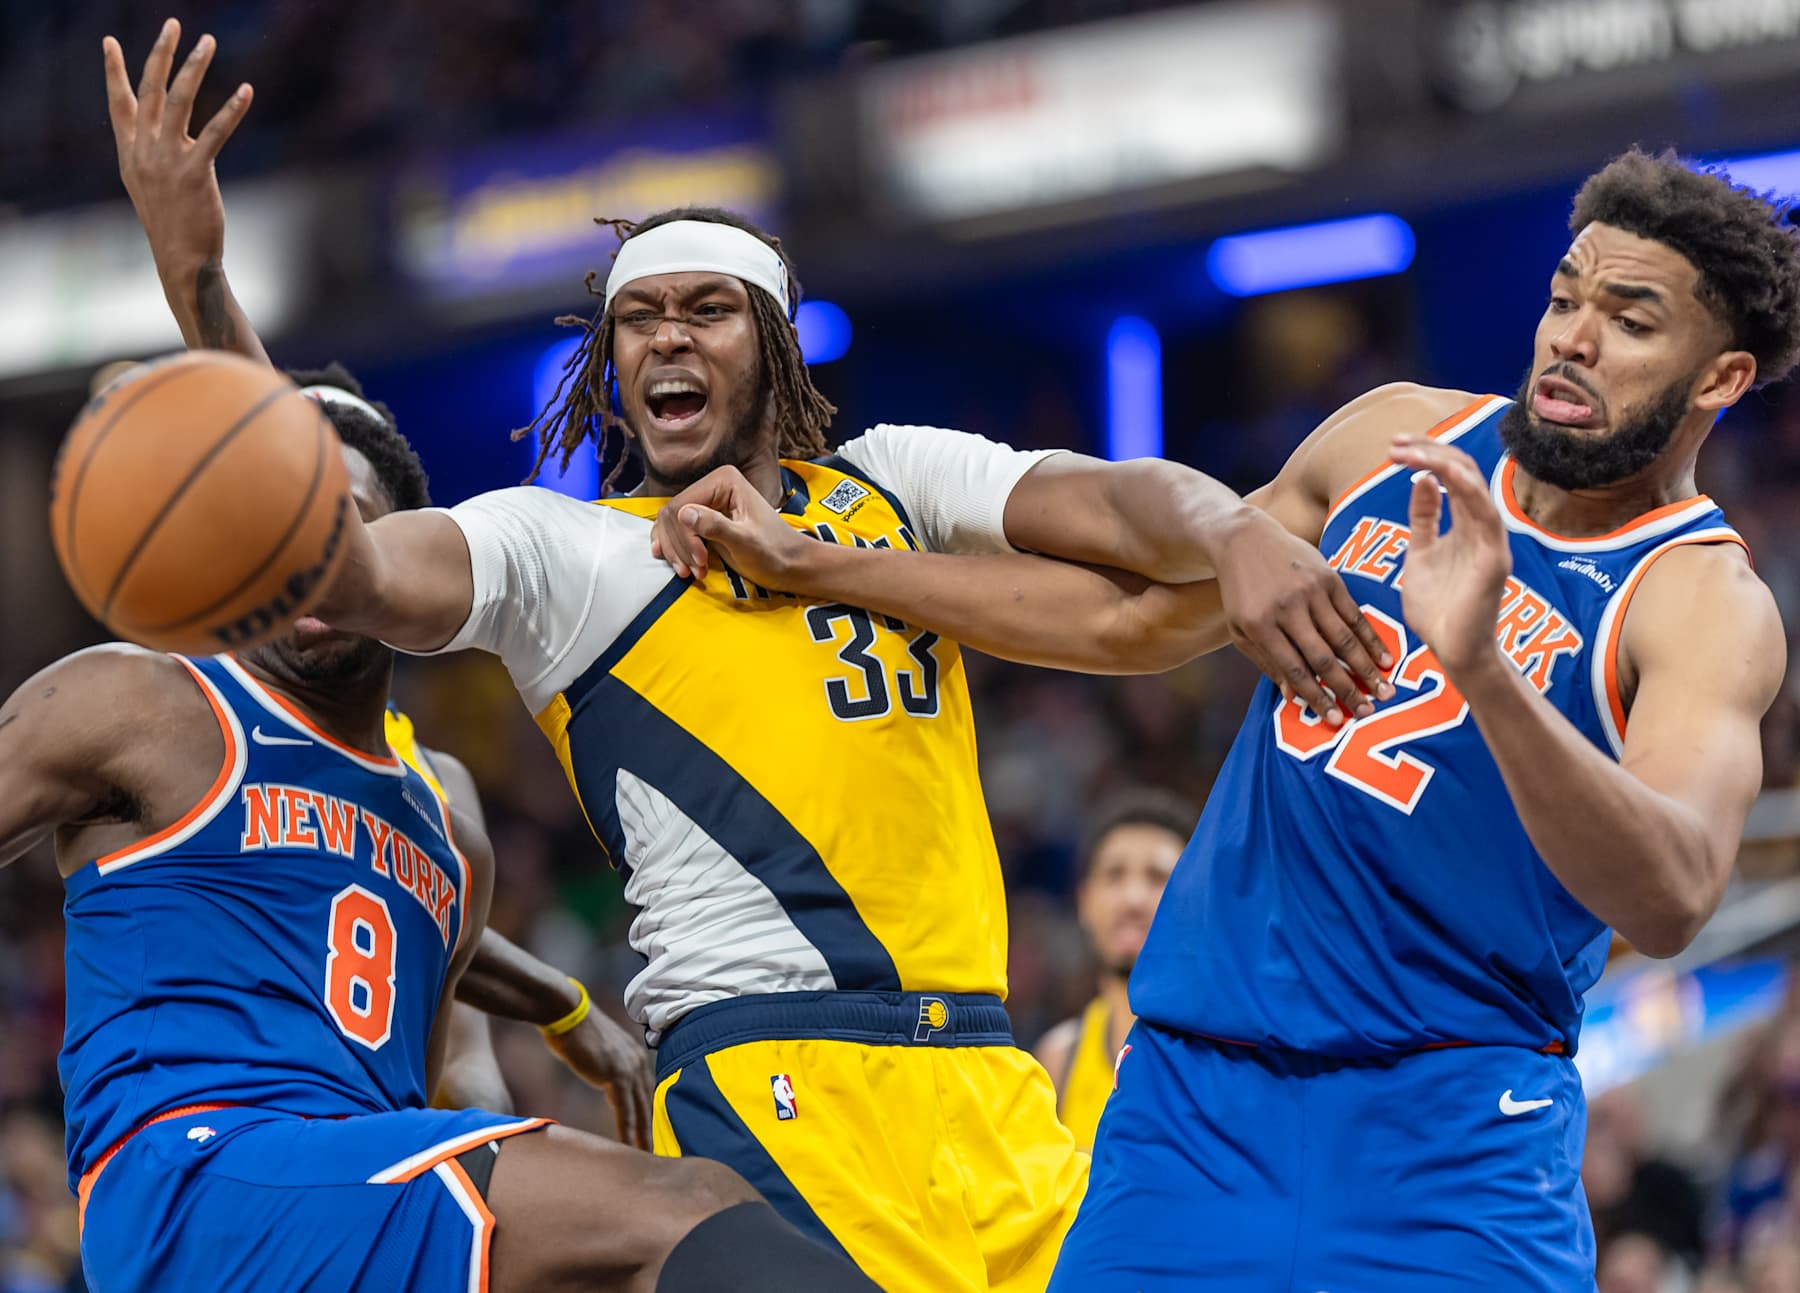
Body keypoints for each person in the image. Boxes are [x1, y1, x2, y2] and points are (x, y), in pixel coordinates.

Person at [103, 22, 1392, 1290]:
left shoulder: (892, 481)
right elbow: (354, 566)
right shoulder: (567, 555)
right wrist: (202, 288)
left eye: (707, 313)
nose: (666, 339)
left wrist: (1236, 532)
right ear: (608, 368)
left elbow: (1122, 515)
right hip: (773, 1078)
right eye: (638, 321)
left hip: (989, 1085)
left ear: (772, 344)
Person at [648, 149, 1800, 1290]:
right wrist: (822, 563)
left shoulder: (1702, 601)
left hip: (1453, 1140)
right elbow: (1129, 624)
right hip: (1192, 1113)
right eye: (1565, 299)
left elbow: (1673, 891)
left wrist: (1485, 674)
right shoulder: (1389, 441)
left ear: (1721, 379)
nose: (1573, 340)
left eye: (1632, 321)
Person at [2, 374, 881, 1291]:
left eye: (338, 527)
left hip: (351, 1207)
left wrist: (560, 1015)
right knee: (687, 1205)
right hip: (193, 1173)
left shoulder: (447, 819)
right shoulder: (141, 701)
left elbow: (456, 1088)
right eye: (274, 526)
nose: (304, 551)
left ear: (395, 567)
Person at [1032, 789, 1194, 1151]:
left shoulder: (1224, 1055)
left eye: (1157, 877)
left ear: (1194, 901)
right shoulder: (1058, 1058)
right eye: (1114, 875)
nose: (1133, 898)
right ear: (1084, 901)